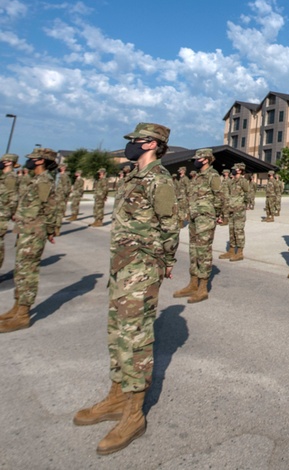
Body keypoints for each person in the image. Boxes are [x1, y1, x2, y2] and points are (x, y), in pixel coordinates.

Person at [72, 123, 179, 455]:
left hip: (142, 270)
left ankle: (134, 414)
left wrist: (163, 262)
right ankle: (117, 396)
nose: (130, 145)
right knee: (118, 332)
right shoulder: (133, 177)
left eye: (135, 141)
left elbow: (170, 224)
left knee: (136, 337)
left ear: (151, 144)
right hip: (122, 268)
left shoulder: (160, 180)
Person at [0, 147, 60, 333]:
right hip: (26, 229)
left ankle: (23, 314)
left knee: (28, 271)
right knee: (21, 269)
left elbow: (50, 207)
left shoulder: (44, 181)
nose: (30, 161)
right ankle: (17, 307)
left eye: (33, 158)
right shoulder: (35, 179)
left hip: (34, 231)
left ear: (41, 160)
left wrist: (51, 229)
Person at [173, 148, 222, 304]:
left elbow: (219, 196)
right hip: (194, 218)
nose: (195, 161)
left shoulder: (212, 176)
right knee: (193, 250)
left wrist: (216, 214)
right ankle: (193, 283)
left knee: (203, 251)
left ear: (206, 159)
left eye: (198, 159)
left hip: (205, 219)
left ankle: (203, 287)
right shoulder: (197, 177)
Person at [220, 163, 252, 261]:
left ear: (239, 170)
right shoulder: (232, 182)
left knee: (238, 230)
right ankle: (231, 250)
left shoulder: (243, 181)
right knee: (232, 230)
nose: (233, 170)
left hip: (239, 210)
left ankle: (239, 252)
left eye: (235, 169)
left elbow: (248, 193)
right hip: (231, 209)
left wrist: (244, 204)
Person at [0, 153, 19, 272]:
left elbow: (13, 196)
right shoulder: (3, 176)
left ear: (9, 162)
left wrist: (10, 212)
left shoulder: (11, 177)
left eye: (3, 161)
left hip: (2, 213)